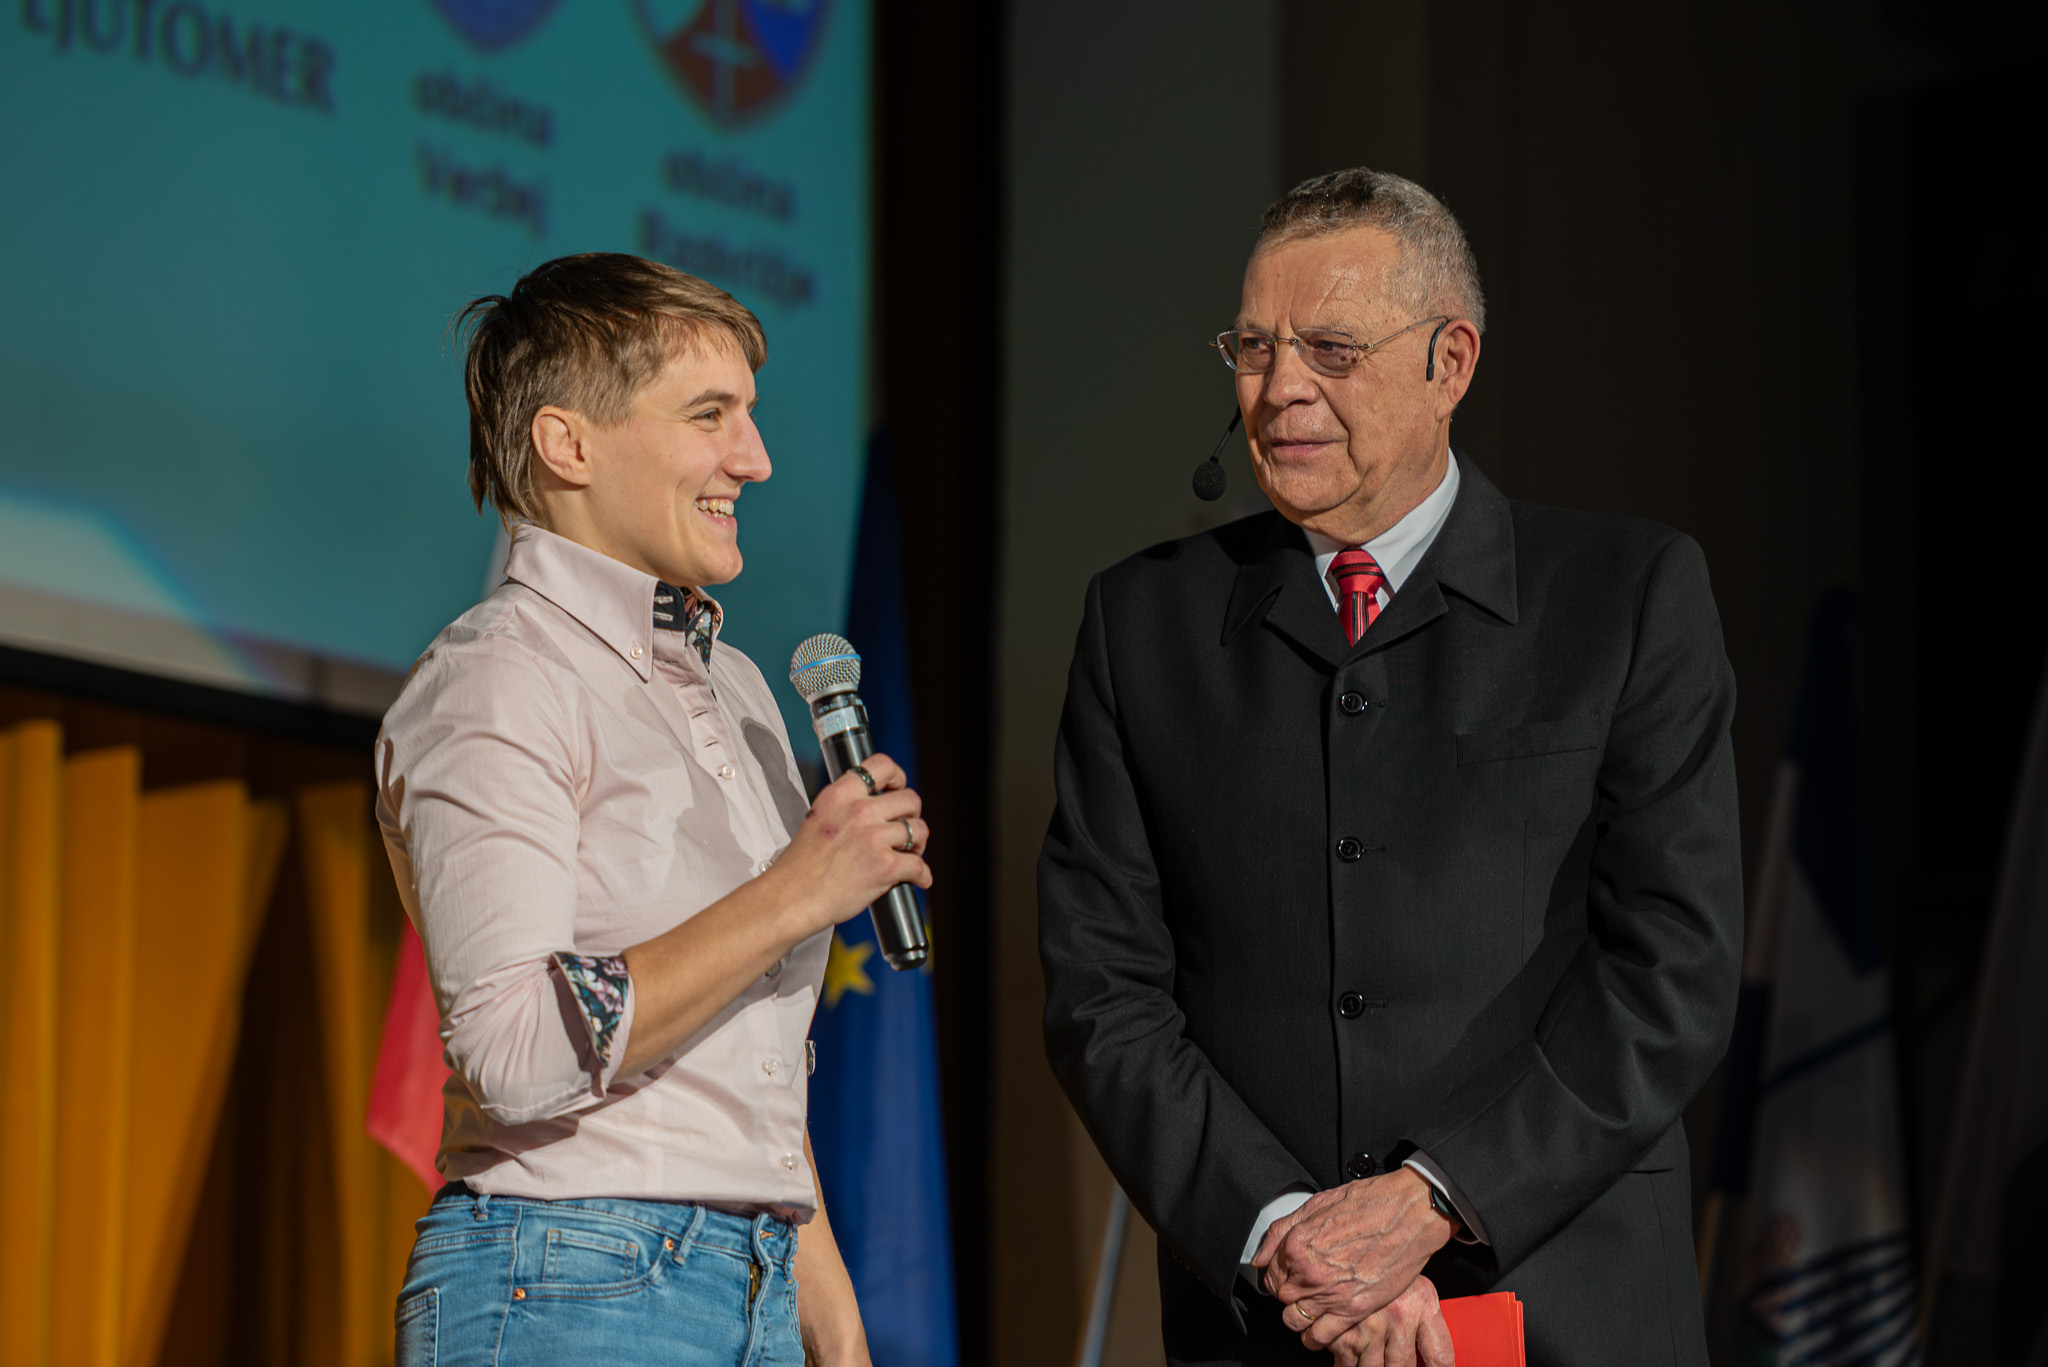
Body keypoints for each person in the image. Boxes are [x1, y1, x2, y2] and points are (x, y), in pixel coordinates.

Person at [1038, 169, 1742, 1367]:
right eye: (1252, 348)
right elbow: (1101, 990)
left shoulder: (1623, 596)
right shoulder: (1141, 623)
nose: (1278, 388)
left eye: (1331, 349)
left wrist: (1432, 1198)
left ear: (1447, 361)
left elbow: (1671, 967)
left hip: (1566, 1303)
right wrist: (1287, 1235)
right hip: (1270, 1314)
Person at [376, 252, 928, 1367]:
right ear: (567, 444)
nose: (754, 458)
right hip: (567, 1275)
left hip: (752, 1278)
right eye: (709, 415)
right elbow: (513, 1047)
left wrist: (830, 1320)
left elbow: (748, 1071)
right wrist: (798, 892)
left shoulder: (740, 689)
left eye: (750, 416)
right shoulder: (499, 674)